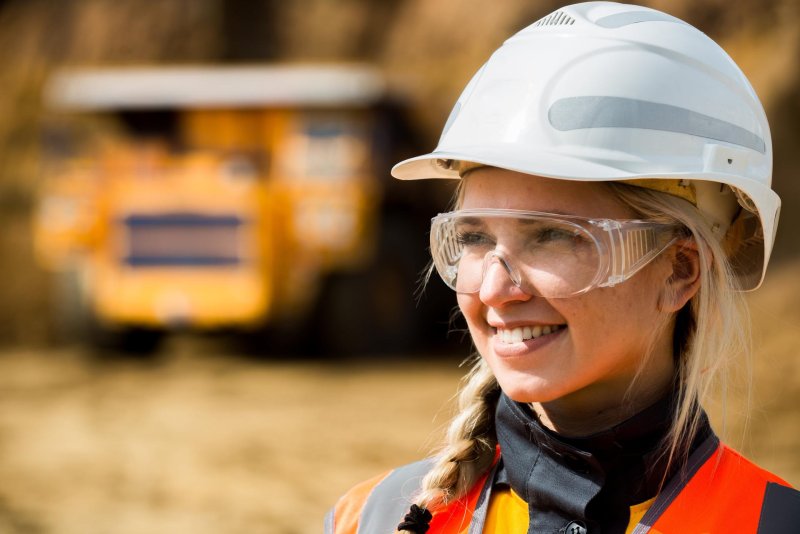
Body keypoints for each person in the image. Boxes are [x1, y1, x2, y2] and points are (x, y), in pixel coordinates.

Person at [326, 2, 799, 533]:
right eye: (475, 237)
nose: (495, 289)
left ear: (680, 271)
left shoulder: (772, 523)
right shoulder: (369, 518)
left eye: (554, 236)